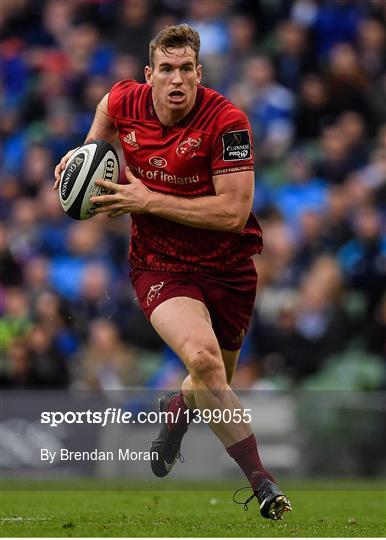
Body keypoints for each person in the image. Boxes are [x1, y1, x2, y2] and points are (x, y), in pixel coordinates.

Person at [54, 24, 292, 521]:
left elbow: (231, 213)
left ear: (199, 73)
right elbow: (105, 106)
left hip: (228, 270)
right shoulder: (126, 101)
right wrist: (88, 153)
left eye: (186, 69)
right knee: (203, 361)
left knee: (211, 383)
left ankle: (175, 411)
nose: (176, 78)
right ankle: (263, 483)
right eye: (166, 69)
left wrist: (147, 199)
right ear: (150, 74)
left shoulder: (227, 121)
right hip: (160, 266)